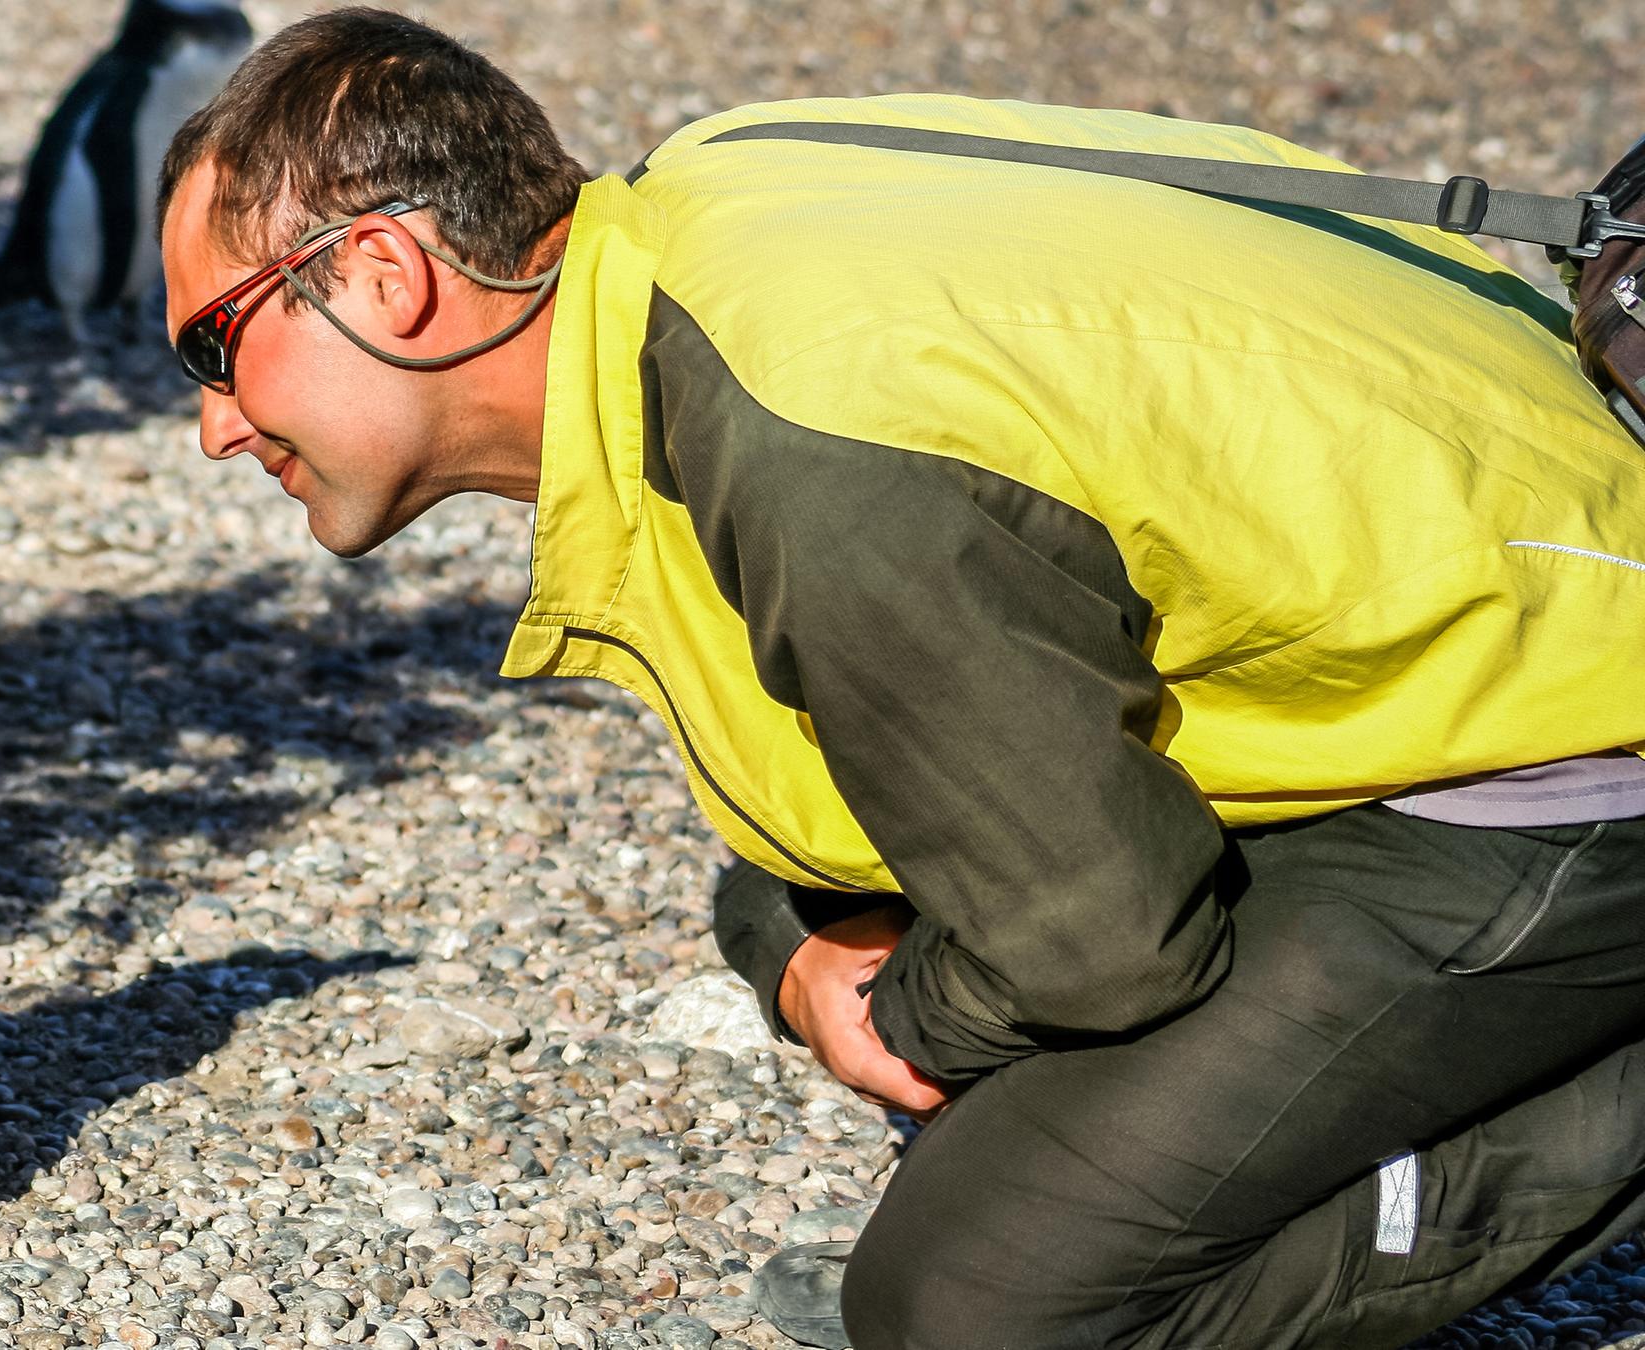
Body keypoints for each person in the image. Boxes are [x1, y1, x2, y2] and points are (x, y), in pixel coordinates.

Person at [155, 9, 1645, 1348]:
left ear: (382, 272)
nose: (216, 426)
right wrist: (790, 948)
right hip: (1478, 605)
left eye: (215, 349)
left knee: (976, 1300)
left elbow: (1097, 939)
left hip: (1564, 718)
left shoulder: (801, 423)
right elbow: (852, 745)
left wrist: (907, 1016)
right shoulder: (711, 219)